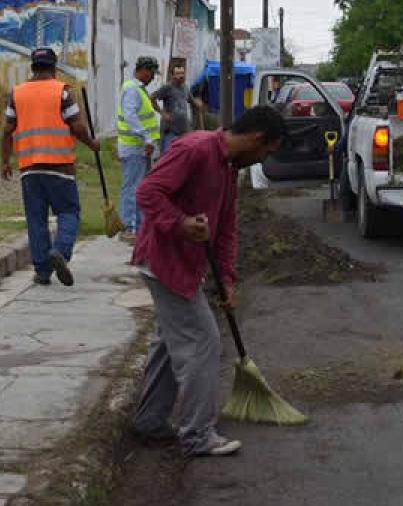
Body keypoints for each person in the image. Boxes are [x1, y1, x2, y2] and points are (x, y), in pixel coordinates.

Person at [131, 106, 285, 457]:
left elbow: (226, 229)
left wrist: (227, 280)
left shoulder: (229, 169)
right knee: (202, 340)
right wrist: (182, 223)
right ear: (257, 139)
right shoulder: (195, 149)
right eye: (267, 151)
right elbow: (147, 192)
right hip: (165, 262)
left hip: (188, 265)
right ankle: (197, 435)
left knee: (169, 345)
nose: (263, 159)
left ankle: (150, 421)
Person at [2, 47, 101, 286]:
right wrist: (92, 144)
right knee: (68, 212)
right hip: (60, 166)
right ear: (54, 67)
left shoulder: (17, 93)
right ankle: (61, 251)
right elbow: (76, 126)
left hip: (29, 167)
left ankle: (42, 271)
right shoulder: (62, 92)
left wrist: (4, 161)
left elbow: (7, 130)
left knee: (36, 219)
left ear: (33, 67)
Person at [117, 56, 161, 243]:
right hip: (134, 146)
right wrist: (146, 137)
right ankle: (128, 227)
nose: (152, 77)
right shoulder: (132, 90)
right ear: (142, 69)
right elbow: (130, 115)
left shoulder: (138, 90)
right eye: (151, 72)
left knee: (139, 188)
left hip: (140, 148)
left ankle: (140, 228)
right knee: (132, 187)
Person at [152, 65, 203, 154]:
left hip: (184, 130)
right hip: (170, 131)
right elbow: (152, 98)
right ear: (172, 76)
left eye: (182, 73)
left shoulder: (185, 87)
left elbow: (192, 101)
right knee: (168, 156)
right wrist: (162, 113)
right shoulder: (167, 87)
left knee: (182, 156)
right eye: (178, 73)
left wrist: (197, 103)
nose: (181, 76)